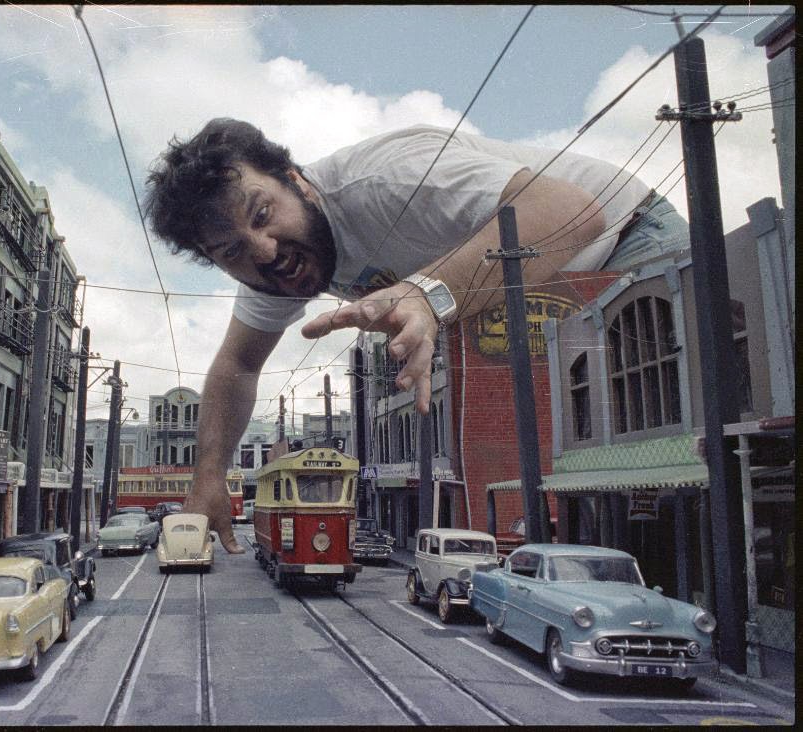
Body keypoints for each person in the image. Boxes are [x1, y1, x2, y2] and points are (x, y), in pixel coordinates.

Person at [144, 118, 689, 553]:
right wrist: (208, 475)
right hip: (545, 302)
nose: (263, 250)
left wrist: (427, 295)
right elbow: (237, 366)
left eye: (263, 214)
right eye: (231, 250)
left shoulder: (386, 180)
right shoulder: (276, 271)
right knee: (593, 470)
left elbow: (573, 210)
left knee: (670, 445)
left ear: (296, 179)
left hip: (627, 243)